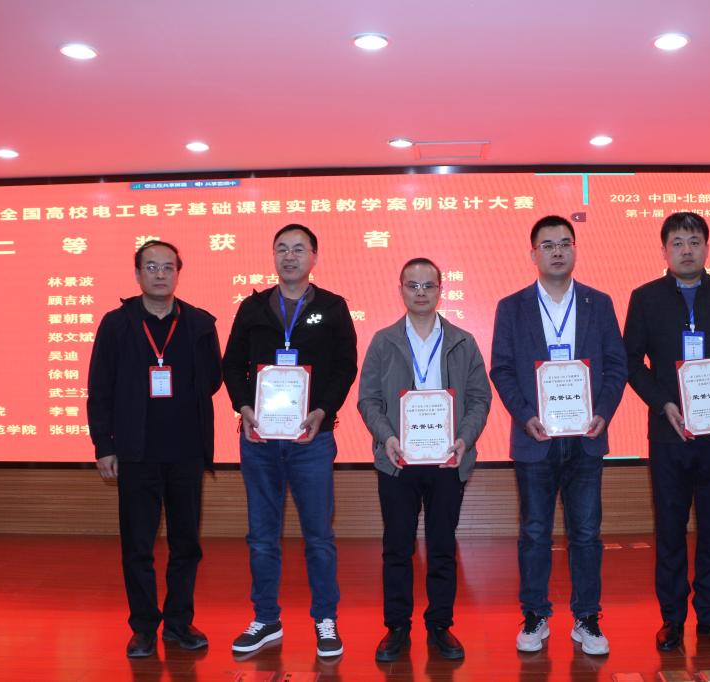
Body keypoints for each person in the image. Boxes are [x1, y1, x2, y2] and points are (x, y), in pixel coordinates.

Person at [623, 211, 710, 652]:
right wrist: (663, 403)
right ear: (664, 251)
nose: (687, 250)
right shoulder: (645, 298)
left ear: (707, 247)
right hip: (669, 434)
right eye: (678, 243)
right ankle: (671, 618)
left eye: (694, 241)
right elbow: (631, 362)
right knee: (670, 529)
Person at [489, 215, 627, 655]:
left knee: (586, 533)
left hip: (586, 437)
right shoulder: (511, 307)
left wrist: (603, 412)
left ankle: (587, 617)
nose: (557, 251)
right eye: (547, 245)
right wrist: (525, 415)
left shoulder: (598, 303)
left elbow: (617, 364)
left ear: (575, 249)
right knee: (534, 532)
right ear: (533, 254)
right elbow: (502, 369)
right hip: (536, 438)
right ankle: (535, 615)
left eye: (565, 243)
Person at [222, 223, 358, 657]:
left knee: (318, 536)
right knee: (262, 537)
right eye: (282, 248)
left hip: (311, 441)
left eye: (299, 249)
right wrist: (244, 407)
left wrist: (323, 411)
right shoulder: (253, 307)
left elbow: (346, 367)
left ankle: (325, 620)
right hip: (259, 440)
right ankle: (266, 619)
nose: (290, 256)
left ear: (314, 256)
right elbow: (231, 366)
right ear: (273, 256)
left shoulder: (333, 307)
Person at [87, 239, 222, 658]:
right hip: (135, 452)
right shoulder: (117, 324)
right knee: (138, 546)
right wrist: (104, 445)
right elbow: (99, 388)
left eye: (167, 267)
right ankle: (143, 627)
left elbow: (213, 380)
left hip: (186, 451)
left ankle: (179, 623)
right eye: (151, 267)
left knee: (186, 544)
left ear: (178, 273)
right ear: (137, 274)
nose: (160, 274)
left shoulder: (200, 323)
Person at [357, 258, 492, 662]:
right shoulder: (383, 341)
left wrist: (465, 438)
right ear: (400, 289)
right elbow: (368, 399)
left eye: (428, 285)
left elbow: (479, 398)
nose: (420, 293)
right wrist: (387, 437)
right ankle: (397, 626)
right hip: (397, 460)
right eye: (412, 285)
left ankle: (440, 625)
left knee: (442, 546)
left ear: (440, 290)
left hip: (448, 460)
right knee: (397, 546)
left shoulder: (463, 341)